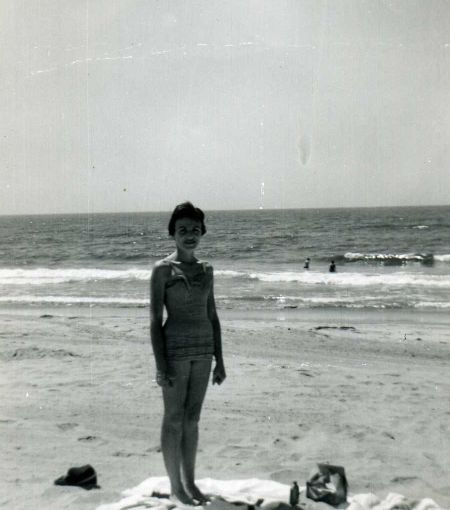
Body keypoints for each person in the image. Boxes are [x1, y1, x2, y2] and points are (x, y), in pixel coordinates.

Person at [150, 202, 226, 505]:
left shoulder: (207, 270)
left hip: (204, 348)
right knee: (173, 418)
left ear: (202, 233)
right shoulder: (162, 270)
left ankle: (190, 482)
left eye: (195, 230)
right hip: (175, 349)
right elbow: (155, 321)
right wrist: (160, 365)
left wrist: (220, 358)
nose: (190, 235)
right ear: (173, 234)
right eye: (183, 230)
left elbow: (213, 315)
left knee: (192, 418)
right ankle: (175, 486)